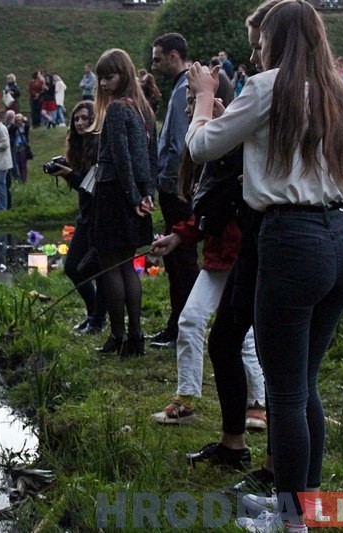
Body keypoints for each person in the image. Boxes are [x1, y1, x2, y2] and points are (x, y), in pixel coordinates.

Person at [185, 1, 343, 531]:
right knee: (304, 384)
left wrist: (202, 99)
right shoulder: (342, 96)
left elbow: (201, 147)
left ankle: (290, 522)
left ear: (279, 39)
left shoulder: (267, 87)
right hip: (340, 242)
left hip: (291, 242)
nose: (257, 47)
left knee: (287, 392)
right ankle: (300, 506)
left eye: (262, 37)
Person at [149, 89, 264, 427]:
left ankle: (258, 403)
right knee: (191, 320)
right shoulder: (207, 154)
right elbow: (209, 211)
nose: (189, 111)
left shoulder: (240, 146)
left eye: (194, 102)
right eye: (187, 104)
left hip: (244, 255)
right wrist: (178, 236)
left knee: (244, 335)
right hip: (217, 257)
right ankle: (185, 400)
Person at [89, 48, 157, 356]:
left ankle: (118, 334)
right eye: (100, 78)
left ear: (124, 75)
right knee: (127, 264)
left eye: (109, 76)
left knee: (110, 265)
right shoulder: (145, 110)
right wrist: (146, 196)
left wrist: (132, 198)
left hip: (116, 192)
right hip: (137, 193)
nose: (103, 84)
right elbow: (151, 160)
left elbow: (121, 157)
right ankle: (136, 337)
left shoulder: (117, 109)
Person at [150, 32, 199, 349]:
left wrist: (182, 184)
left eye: (157, 58)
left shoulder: (184, 89)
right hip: (171, 183)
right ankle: (179, 323)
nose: (154, 66)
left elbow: (184, 143)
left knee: (181, 259)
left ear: (173, 56)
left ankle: (183, 326)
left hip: (176, 187)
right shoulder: (180, 87)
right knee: (177, 258)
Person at [46, 100, 107, 335]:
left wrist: (71, 174)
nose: (80, 123)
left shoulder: (100, 145)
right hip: (85, 214)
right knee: (72, 267)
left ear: (94, 120)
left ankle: (98, 320)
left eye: (85, 118)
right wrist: (66, 173)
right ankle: (93, 313)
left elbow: (93, 184)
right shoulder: (77, 145)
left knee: (98, 269)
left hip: (100, 215)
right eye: (77, 119)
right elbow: (82, 184)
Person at [8, 113, 31, 184]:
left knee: (23, 163)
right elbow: (10, 129)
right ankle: (20, 178)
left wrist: (25, 120)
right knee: (18, 163)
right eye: (17, 120)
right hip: (16, 147)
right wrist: (13, 123)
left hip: (23, 146)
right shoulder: (15, 128)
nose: (19, 122)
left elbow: (27, 126)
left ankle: (24, 179)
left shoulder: (24, 127)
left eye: (20, 120)